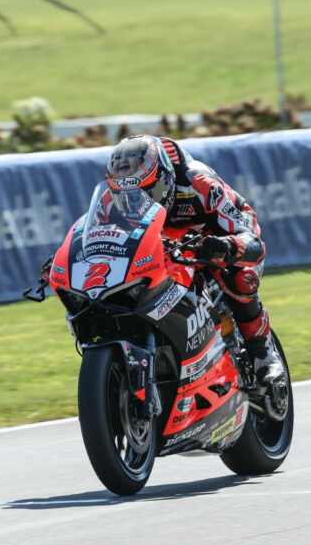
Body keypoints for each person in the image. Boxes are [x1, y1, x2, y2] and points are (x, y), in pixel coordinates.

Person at [104, 134, 285, 389]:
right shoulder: (114, 198)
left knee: (237, 275)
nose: (137, 203)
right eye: (127, 196)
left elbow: (251, 239)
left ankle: (263, 352)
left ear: (166, 179)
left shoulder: (198, 182)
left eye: (147, 192)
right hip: (162, 242)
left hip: (218, 232)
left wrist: (228, 245)